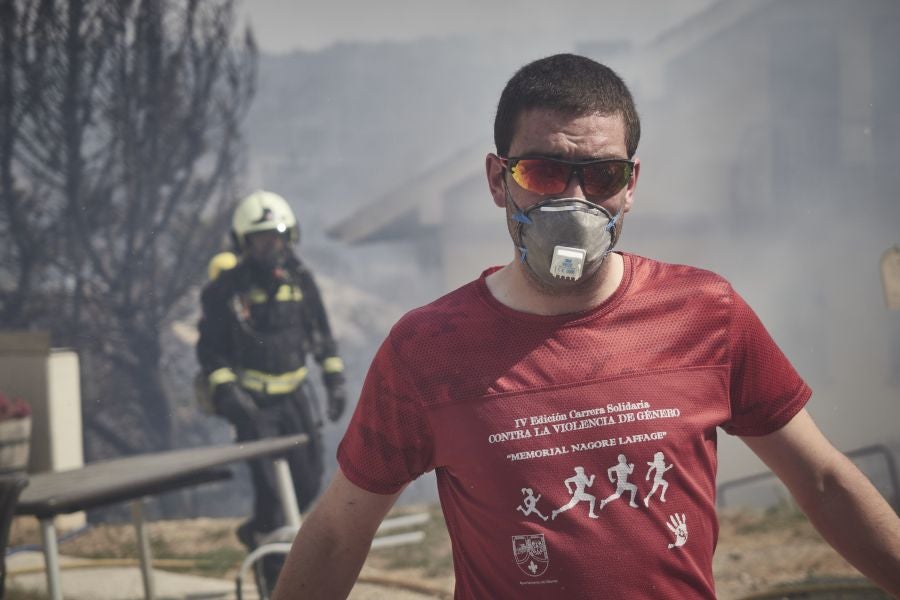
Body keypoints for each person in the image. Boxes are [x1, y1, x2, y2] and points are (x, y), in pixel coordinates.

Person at [272, 54, 900, 599]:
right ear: (498, 180)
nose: (574, 201)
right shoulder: (428, 351)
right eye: (544, 173)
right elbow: (336, 534)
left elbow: (823, 481)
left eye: (602, 175)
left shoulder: (708, 313)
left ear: (631, 187)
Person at [195, 190, 347, 556]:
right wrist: (228, 393)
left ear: (289, 237)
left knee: (308, 483)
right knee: (271, 490)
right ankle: (272, 567)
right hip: (254, 404)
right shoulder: (226, 290)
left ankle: (258, 533)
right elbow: (210, 351)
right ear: (243, 242)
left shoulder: (300, 281)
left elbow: (322, 335)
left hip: (296, 398)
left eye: (276, 237)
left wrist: (334, 381)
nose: (270, 246)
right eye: (260, 239)